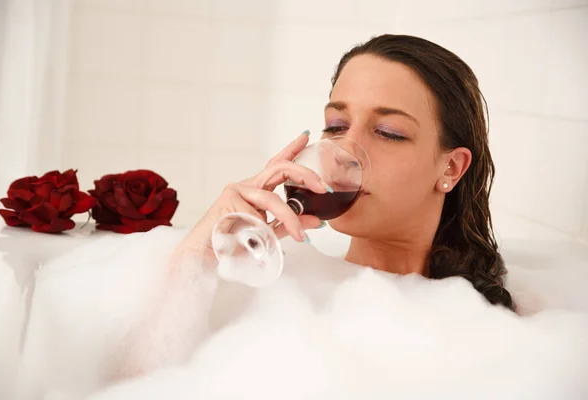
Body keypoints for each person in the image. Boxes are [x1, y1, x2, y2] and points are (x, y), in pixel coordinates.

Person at [182, 33, 515, 311]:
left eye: (388, 132)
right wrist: (198, 255)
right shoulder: (270, 290)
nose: (344, 153)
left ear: (451, 168)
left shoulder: (479, 324)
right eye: (336, 126)